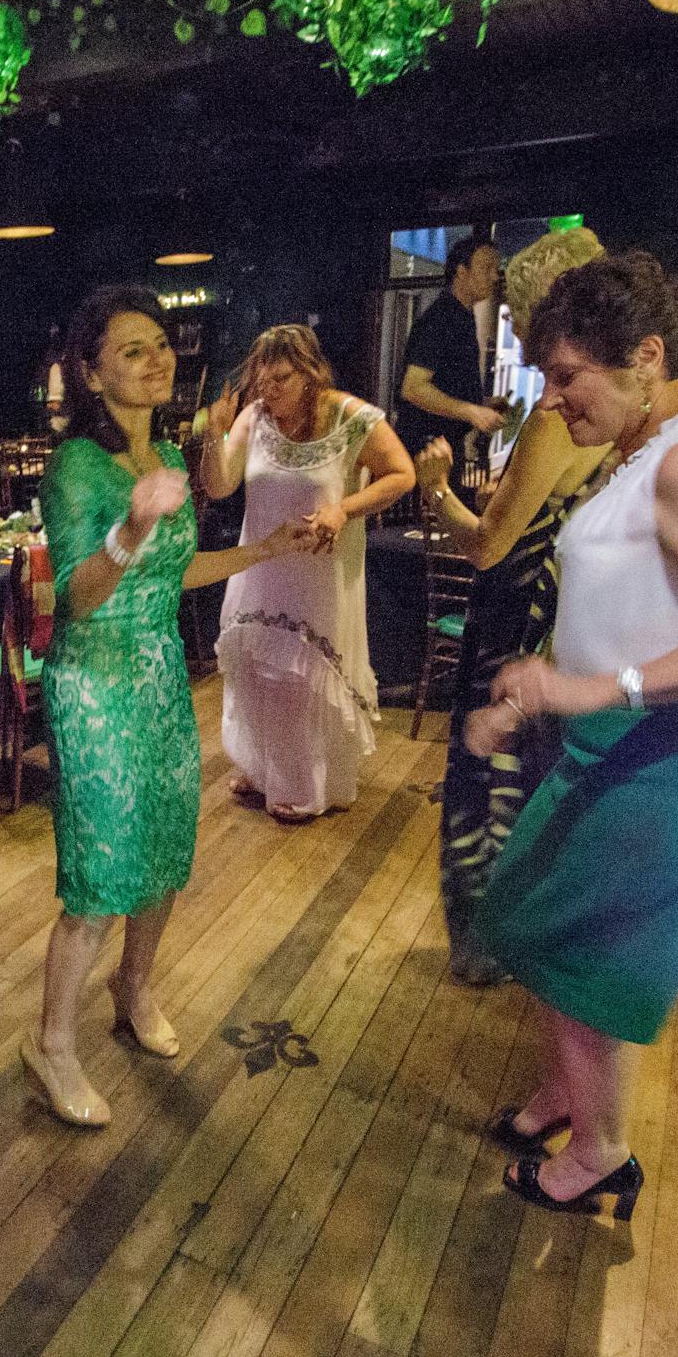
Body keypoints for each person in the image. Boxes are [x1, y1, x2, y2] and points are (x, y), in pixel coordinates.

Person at [462, 251, 678, 1223]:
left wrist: (594, 684)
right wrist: (546, 691)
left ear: (644, 355)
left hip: (675, 759)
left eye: (566, 378)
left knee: (586, 955)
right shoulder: (647, 450)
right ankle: (566, 1096)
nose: (550, 401)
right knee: (526, 916)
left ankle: (599, 1153)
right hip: (615, 746)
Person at [24, 287, 312, 1128]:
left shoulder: (173, 463)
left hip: (156, 672)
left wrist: (265, 549)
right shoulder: (76, 465)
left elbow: (172, 576)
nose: (156, 361)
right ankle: (51, 1045)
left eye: (159, 345)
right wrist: (128, 534)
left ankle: (135, 987)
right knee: (101, 875)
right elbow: (74, 597)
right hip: (93, 681)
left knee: (162, 846)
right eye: (131, 351)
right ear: (91, 371)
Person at [413, 227, 615, 985]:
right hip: (568, 613)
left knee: (488, 772)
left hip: (516, 611)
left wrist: (437, 493)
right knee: (541, 772)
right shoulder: (619, 415)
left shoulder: (554, 420)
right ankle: (536, 940)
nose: (519, 337)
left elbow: (490, 546)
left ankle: (486, 942)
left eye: (520, 314)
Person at [203, 324, 416, 822]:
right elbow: (218, 486)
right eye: (261, 380)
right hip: (259, 565)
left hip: (320, 574)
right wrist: (215, 434)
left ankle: (307, 784)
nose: (268, 391)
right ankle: (263, 771)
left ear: (309, 374)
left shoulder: (350, 416)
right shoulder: (253, 419)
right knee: (257, 674)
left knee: (303, 681)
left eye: (280, 379)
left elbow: (402, 474)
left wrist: (344, 509)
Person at [398, 235, 505, 471]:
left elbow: (445, 384)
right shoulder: (441, 318)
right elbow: (413, 388)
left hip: (443, 446)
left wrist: (481, 403)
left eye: (496, 269)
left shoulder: (461, 317)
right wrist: (472, 411)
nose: (495, 276)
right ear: (461, 271)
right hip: (426, 450)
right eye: (487, 267)